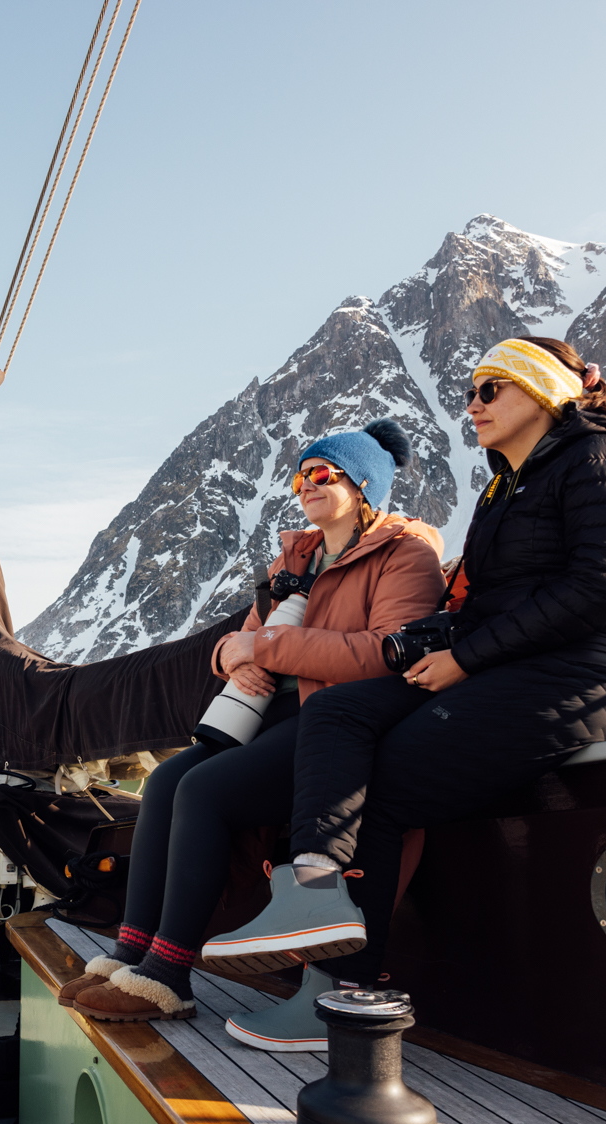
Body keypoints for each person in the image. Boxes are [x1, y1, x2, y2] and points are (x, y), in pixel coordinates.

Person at [204, 336, 606, 1005]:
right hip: (506, 666)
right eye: (468, 392)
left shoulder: (600, 459)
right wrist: (412, 648)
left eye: (488, 390)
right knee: (338, 709)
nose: (471, 405)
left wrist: (465, 657)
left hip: (580, 674)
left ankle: (343, 995)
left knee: (388, 775)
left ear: (541, 389)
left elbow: (598, 588)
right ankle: (314, 889)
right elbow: (491, 602)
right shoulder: (505, 487)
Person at [65, 418, 444, 1033]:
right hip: (267, 715)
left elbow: (383, 652)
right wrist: (232, 660)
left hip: (336, 720)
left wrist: (268, 649)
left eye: (322, 474)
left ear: (366, 485)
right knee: (164, 785)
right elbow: (241, 640)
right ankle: (129, 952)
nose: (306, 486)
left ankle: (168, 974)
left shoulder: (406, 555)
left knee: (205, 790)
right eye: (300, 476)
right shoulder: (296, 557)